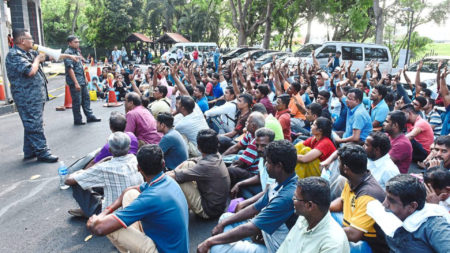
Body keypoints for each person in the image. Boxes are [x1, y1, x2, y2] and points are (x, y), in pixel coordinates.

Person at [197, 140, 298, 253]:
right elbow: (254, 207)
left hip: (275, 248)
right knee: (225, 219)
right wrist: (224, 224)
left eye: (268, 162)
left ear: (279, 166)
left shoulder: (286, 196)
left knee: (216, 247)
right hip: (266, 236)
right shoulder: (281, 182)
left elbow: (251, 227)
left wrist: (209, 242)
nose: (265, 165)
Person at [86, 144, 189, 253]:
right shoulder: (166, 180)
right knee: (130, 194)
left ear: (138, 168)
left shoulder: (150, 198)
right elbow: (127, 191)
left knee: (110, 228)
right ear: (163, 164)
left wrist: (94, 220)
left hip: (162, 250)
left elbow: (99, 229)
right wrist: (105, 212)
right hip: (171, 245)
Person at [6, 29, 76, 162]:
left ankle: (29, 150)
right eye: (30, 39)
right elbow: (30, 71)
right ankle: (42, 152)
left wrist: (69, 57)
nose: (33, 41)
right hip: (26, 96)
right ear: (22, 41)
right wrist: (37, 59)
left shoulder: (29, 52)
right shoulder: (14, 55)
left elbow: (51, 56)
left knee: (32, 123)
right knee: (34, 123)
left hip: (35, 95)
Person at [64, 132, 143, 218]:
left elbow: (68, 181)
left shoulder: (104, 168)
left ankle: (89, 211)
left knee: (78, 183)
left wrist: (79, 172)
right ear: (128, 148)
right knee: (100, 181)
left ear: (110, 150)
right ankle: (93, 206)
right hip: (136, 209)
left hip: (111, 215)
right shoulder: (134, 159)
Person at [329, 144, 388, 253]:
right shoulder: (354, 178)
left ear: (346, 168)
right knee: (324, 215)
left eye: (339, 162)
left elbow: (354, 235)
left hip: (368, 243)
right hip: (352, 226)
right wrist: (325, 209)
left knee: (327, 242)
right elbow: (342, 202)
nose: (338, 166)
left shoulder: (368, 195)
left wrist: (324, 233)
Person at [167, 129, 230, 219]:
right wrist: (174, 171)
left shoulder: (206, 165)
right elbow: (192, 160)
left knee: (180, 180)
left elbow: (175, 177)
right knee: (188, 165)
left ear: (198, 148)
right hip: (217, 206)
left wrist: (170, 173)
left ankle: (175, 208)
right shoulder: (216, 155)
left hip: (209, 211)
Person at [277, 177, 350, 253]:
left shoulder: (333, 242)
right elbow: (285, 247)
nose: (293, 199)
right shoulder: (303, 219)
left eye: (296, 198)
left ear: (309, 205)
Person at [382, 174, 450, 252]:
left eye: (391, 200)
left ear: (412, 206)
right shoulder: (391, 216)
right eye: (386, 197)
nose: (384, 204)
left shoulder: (435, 227)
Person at [64, 35, 101, 125]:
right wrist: (76, 83)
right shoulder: (68, 53)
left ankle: (90, 116)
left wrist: (85, 78)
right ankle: (78, 119)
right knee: (77, 101)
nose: (78, 43)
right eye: (75, 42)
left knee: (86, 98)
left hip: (82, 80)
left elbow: (80, 66)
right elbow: (70, 69)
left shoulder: (77, 52)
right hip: (75, 81)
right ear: (69, 43)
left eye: (78, 42)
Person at [224, 112, 266, 186]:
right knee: (238, 152)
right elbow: (236, 147)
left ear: (253, 126)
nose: (246, 123)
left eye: (247, 122)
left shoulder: (256, 142)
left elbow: (240, 163)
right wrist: (222, 157)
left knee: (231, 170)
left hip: (254, 174)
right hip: (248, 164)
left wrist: (222, 164)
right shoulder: (250, 133)